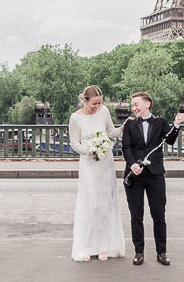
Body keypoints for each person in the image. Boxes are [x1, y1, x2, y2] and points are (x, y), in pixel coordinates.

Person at [121, 91, 184, 266]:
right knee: (136, 215)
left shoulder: (161, 123)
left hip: (155, 175)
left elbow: (170, 140)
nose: (133, 107)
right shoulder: (129, 125)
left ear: (147, 104)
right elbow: (126, 147)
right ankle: (139, 252)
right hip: (134, 175)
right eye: (132, 105)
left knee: (159, 215)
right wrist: (133, 164)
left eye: (136, 104)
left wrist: (177, 125)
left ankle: (162, 252)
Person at [68, 85, 127, 262]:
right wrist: (89, 151)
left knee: (104, 204)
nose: (97, 107)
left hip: (105, 161)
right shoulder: (75, 118)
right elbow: (74, 143)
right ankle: (86, 246)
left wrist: (122, 128)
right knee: (90, 205)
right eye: (94, 103)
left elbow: (110, 132)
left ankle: (104, 246)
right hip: (89, 163)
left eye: (99, 103)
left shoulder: (104, 111)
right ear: (84, 101)